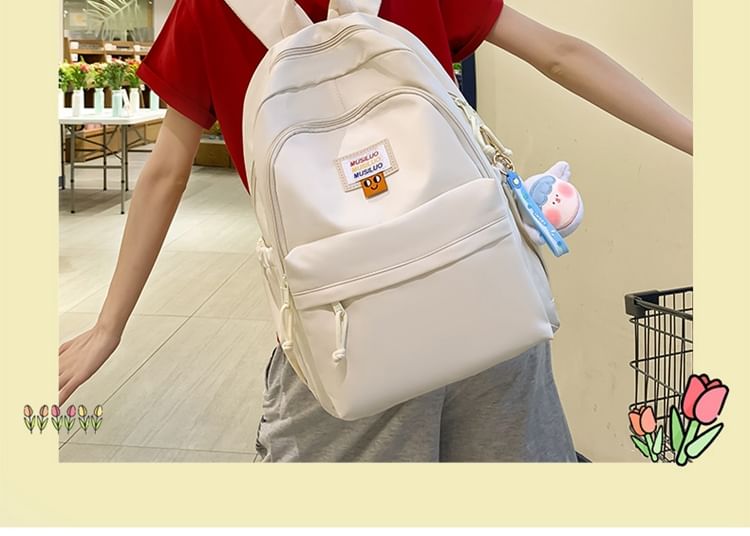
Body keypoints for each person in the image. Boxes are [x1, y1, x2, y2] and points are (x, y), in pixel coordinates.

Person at [58, 0, 693, 462]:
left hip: (341, 337)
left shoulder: (208, 10)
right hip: (487, 298)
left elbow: (165, 171)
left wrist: (110, 326)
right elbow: (560, 54)